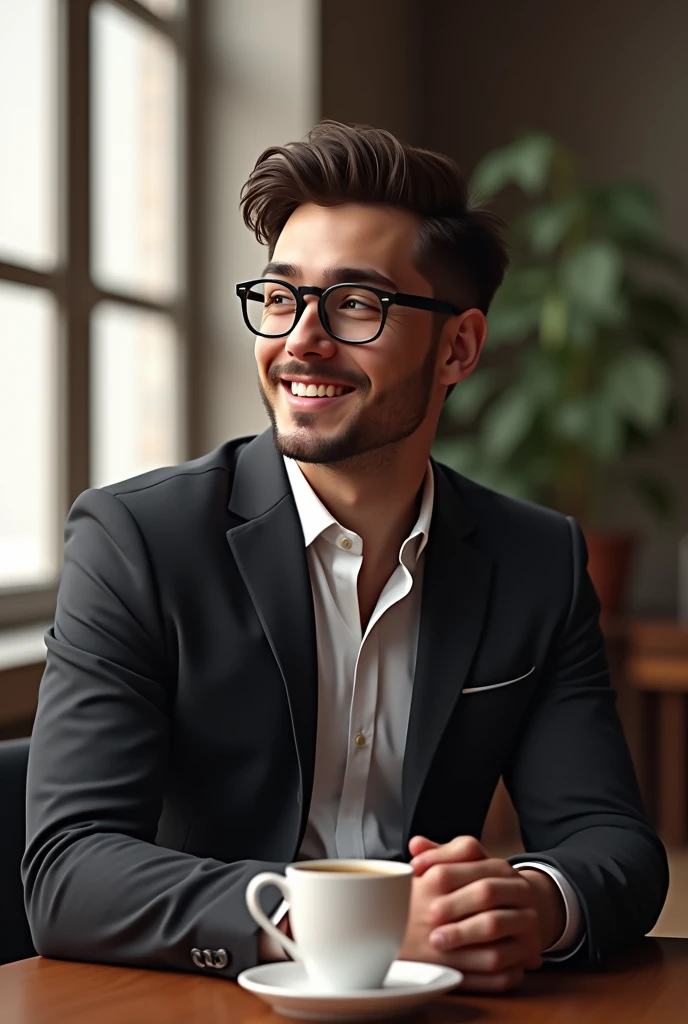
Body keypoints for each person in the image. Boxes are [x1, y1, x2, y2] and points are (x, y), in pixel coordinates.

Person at [23, 121, 668, 993]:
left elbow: (614, 844)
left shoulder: (536, 560)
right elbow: (69, 873)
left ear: (459, 348)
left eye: (357, 305)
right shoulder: (135, 541)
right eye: (282, 298)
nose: (300, 341)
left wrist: (532, 902)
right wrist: (342, 923)